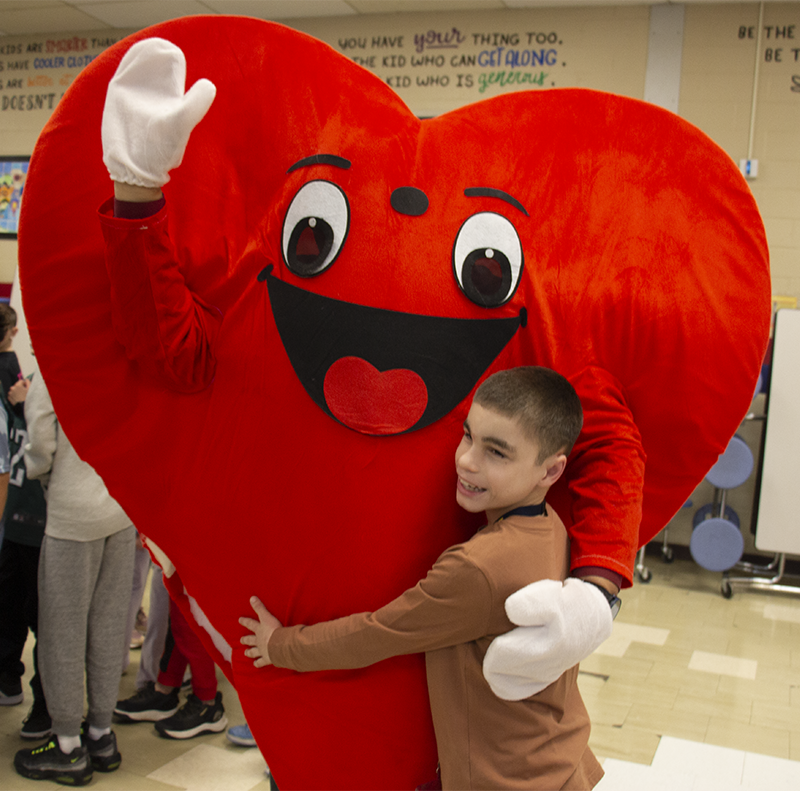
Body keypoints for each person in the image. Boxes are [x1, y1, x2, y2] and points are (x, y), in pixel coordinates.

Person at [241, 367, 607, 791]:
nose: (467, 460)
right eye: (468, 435)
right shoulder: (554, 525)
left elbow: (378, 633)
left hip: (507, 780)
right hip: (561, 759)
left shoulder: (478, 568)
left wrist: (280, 646)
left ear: (551, 471)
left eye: (497, 453)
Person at [13, 373, 135, 786]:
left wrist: (45, 477)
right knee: (107, 624)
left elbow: (41, 445)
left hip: (71, 516)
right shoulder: (111, 358)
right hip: (118, 509)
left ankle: (67, 745)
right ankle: (101, 734)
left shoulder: (52, 365)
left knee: (61, 633)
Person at [0, 380, 50, 739]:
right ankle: (7, 679)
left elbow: (48, 447)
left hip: (45, 528)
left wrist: (22, 408)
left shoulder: (50, 384)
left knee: (44, 622)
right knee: (8, 608)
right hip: (14, 521)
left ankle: (45, 708)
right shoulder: (23, 379)